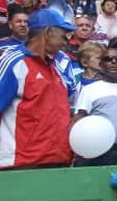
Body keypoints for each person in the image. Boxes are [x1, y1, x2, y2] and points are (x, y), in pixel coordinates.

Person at [0, 9, 75, 168]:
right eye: (63, 36)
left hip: (58, 161)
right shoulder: (15, 62)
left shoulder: (57, 67)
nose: (65, 42)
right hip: (22, 164)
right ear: (48, 32)